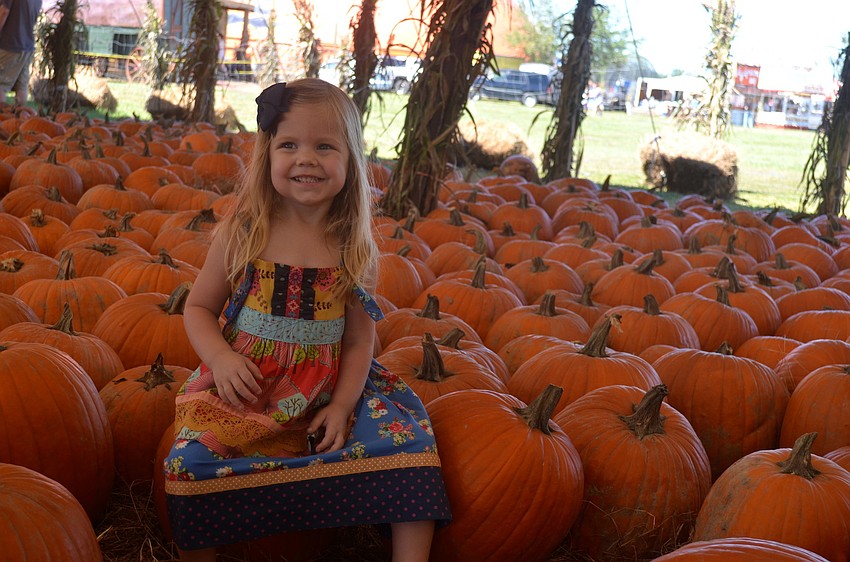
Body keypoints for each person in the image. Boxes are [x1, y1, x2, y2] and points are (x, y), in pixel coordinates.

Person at [163, 78, 450, 562]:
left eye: (325, 146)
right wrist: (221, 358)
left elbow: (360, 341)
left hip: (329, 391)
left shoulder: (353, 248)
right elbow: (197, 308)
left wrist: (341, 406)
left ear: (350, 159)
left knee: (413, 447)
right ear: (267, 153)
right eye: (289, 144)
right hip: (249, 391)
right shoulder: (243, 232)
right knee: (186, 466)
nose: (306, 158)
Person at [0, 0, 42, 106]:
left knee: (1, 84)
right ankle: (20, 119)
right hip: (27, 46)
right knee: (21, 86)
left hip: (9, 45)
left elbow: (4, 11)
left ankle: (2, 118)